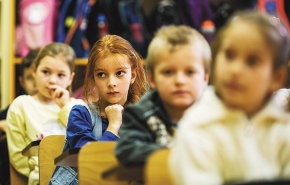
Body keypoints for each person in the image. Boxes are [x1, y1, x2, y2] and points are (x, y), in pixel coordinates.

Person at [169, 11, 290, 185]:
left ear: (276, 78)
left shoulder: (283, 125)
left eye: (252, 61)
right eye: (229, 55)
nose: (235, 70)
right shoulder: (198, 127)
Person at [49, 35, 147, 185]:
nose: (111, 83)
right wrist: (113, 127)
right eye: (101, 74)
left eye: (119, 73)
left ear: (132, 75)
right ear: (94, 78)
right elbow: (92, 164)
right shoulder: (81, 114)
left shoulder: (144, 116)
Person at [114, 25, 211, 166]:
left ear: (204, 79)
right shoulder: (140, 114)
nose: (180, 81)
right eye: (168, 72)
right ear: (152, 79)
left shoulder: (217, 112)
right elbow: (126, 150)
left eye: (190, 72)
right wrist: (180, 152)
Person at [6, 43, 84, 185]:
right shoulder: (21, 106)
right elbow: (18, 155)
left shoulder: (77, 106)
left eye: (61, 75)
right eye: (46, 72)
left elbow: (85, 142)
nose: (52, 80)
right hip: (41, 179)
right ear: (34, 71)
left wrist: (65, 107)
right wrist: (41, 172)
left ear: (70, 79)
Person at [0, 49, 39, 185]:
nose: (36, 83)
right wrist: (3, 125)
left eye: (40, 75)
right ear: (22, 82)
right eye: (30, 78)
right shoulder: (17, 107)